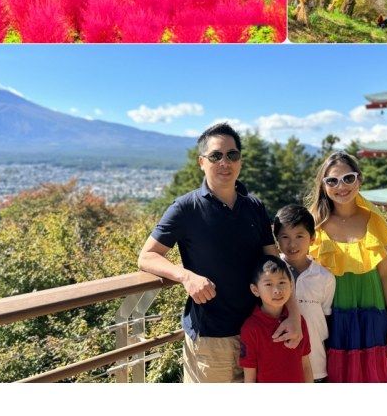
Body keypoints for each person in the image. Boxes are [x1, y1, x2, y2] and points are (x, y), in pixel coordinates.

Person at [137, 122, 302, 383]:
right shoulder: (186, 208)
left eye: (232, 155)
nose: (225, 162)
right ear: (201, 162)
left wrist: (294, 316)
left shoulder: (254, 207)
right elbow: (146, 256)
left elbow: (275, 265)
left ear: (240, 161)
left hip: (261, 329)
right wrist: (185, 276)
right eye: (216, 156)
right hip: (213, 340)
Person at [306, 151, 387, 383]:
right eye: (332, 180)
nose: (341, 186)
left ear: (359, 179)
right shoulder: (314, 223)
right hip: (333, 317)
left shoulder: (374, 219)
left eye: (348, 178)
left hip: (374, 315)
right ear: (323, 185)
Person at [274, 204, 335, 382]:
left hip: (317, 365)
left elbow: (327, 320)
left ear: (312, 238)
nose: (292, 244)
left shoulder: (325, 277)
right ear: (276, 239)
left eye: (300, 236)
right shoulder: (270, 274)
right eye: (285, 237)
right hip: (279, 364)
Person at [239, 255, 313, 383]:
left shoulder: (298, 321)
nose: (277, 290)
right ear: (255, 290)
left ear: (291, 285)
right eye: (268, 284)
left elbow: (305, 365)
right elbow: (249, 377)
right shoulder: (251, 328)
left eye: (282, 282)